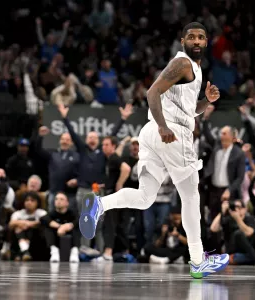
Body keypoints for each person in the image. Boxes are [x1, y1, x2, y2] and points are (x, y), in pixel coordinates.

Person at [79, 22, 229, 278]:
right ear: (182, 41)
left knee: (145, 196)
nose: (196, 40)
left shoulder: (195, 69)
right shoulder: (181, 63)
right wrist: (163, 126)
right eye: (191, 36)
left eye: (200, 37)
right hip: (168, 132)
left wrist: (207, 101)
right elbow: (152, 92)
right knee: (191, 195)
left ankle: (99, 205)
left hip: (154, 133)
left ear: (206, 43)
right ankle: (196, 260)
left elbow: (189, 110)